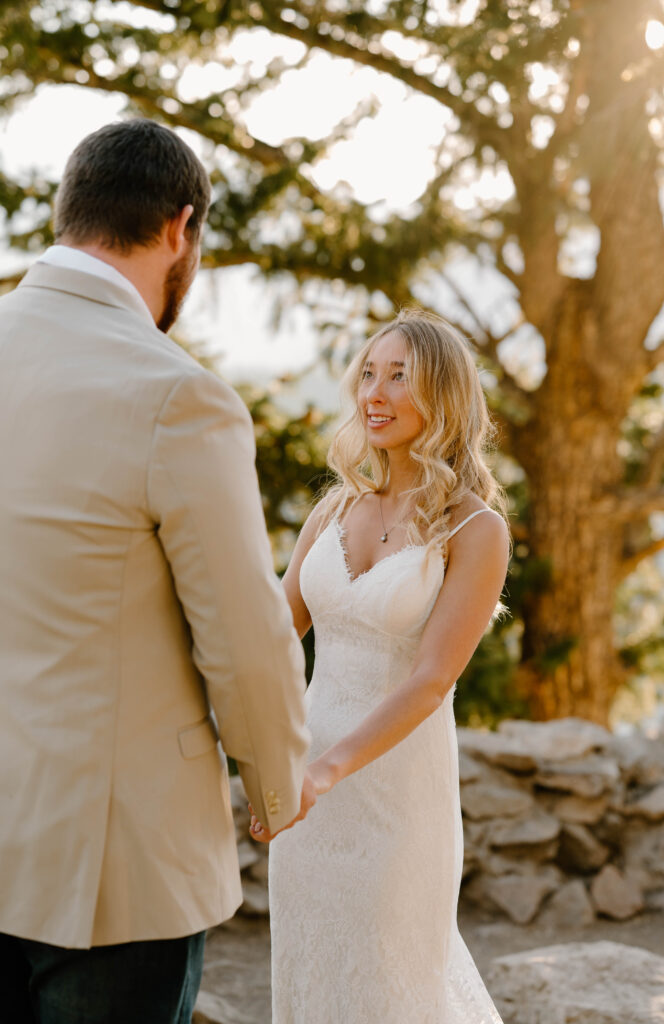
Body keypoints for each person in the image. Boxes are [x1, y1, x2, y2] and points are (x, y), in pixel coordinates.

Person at [0, 118, 315, 1024]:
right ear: (181, 228)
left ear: (68, 214)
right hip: (111, 866)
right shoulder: (176, 394)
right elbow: (245, 639)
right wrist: (274, 790)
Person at [254, 309, 509, 1022]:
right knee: (312, 971)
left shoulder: (474, 530)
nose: (376, 392)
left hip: (391, 791)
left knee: (391, 978)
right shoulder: (333, 508)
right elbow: (275, 635)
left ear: (444, 395)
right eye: (369, 372)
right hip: (301, 788)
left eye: (400, 377)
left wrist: (328, 770)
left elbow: (431, 680)